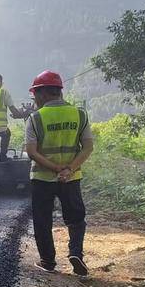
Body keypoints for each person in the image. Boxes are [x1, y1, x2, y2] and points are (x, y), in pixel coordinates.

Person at [25, 71, 93, 276]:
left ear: (43, 94)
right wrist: (68, 169)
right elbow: (88, 147)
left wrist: (55, 169)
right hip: (71, 178)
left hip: (42, 179)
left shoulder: (36, 118)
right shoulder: (79, 114)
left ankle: (48, 261)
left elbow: (31, 151)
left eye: (35, 95)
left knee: (42, 220)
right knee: (76, 217)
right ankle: (76, 253)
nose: (34, 99)